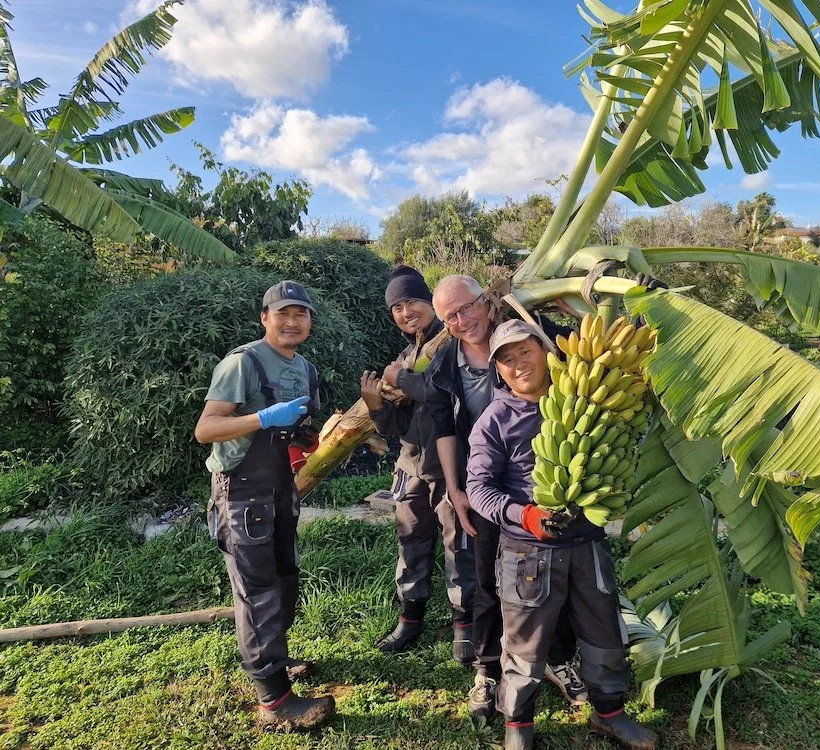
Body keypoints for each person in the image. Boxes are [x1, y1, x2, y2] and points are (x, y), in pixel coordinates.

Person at [466, 320, 658, 750]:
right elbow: (478, 489)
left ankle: (609, 713)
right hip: (527, 551)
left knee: (604, 633)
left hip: (587, 543)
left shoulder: (585, 398)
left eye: (525, 353)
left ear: (546, 352)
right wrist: (525, 514)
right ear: (498, 370)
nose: (518, 366)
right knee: (524, 648)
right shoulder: (494, 420)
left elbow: (630, 425)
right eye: (507, 360)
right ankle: (518, 728)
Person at [425, 275, 587, 722]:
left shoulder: (530, 331)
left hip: (551, 482)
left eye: (467, 308)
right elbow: (443, 428)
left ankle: (555, 658)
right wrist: (457, 491)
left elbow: (590, 354)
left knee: (557, 581)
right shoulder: (446, 365)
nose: (462, 321)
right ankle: (488, 668)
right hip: (487, 486)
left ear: (485, 299)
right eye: (449, 317)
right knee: (487, 578)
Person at [194, 280, 334, 731]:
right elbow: (207, 429)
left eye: (301, 314)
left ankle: (278, 663)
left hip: (278, 487)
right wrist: (263, 419)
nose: (292, 322)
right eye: (283, 314)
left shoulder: (305, 369)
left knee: (284, 578)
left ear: (310, 321)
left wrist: (305, 439)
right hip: (241, 491)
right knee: (256, 591)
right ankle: (273, 702)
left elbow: (301, 432)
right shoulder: (243, 362)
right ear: (265, 318)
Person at [359, 265, 476, 662]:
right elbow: (400, 425)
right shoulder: (407, 355)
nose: (406, 312)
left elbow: (440, 394)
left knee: (459, 547)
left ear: (431, 304)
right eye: (397, 307)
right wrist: (377, 406)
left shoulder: (455, 345)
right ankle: (410, 619)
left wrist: (399, 377)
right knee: (411, 544)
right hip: (411, 468)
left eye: (412, 302)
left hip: (454, 469)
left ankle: (465, 625)